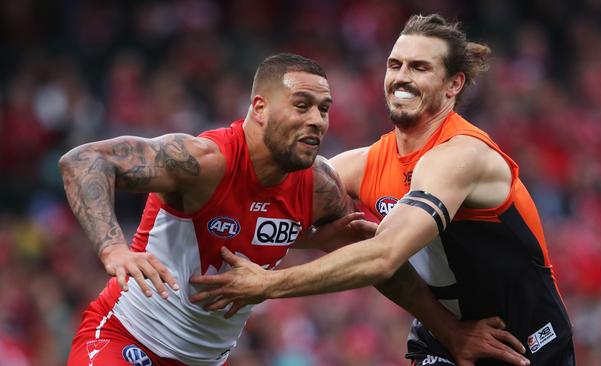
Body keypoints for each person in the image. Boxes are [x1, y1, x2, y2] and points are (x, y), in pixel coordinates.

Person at [60, 53, 528, 366]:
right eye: (301, 105)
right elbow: (85, 160)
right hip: (124, 340)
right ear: (259, 108)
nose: (316, 121)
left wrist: (450, 331)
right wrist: (112, 249)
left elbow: (374, 258)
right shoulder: (204, 161)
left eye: (323, 109)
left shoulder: (317, 188)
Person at [190, 15, 575, 366]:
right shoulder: (365, 164)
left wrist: (269, 284)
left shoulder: (462, 156)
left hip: (523, 338)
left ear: (454, 83)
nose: (401, 77)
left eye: (419, 67)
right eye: (395, 65)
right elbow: (272, 209)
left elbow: (384, 256)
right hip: (444, 334)